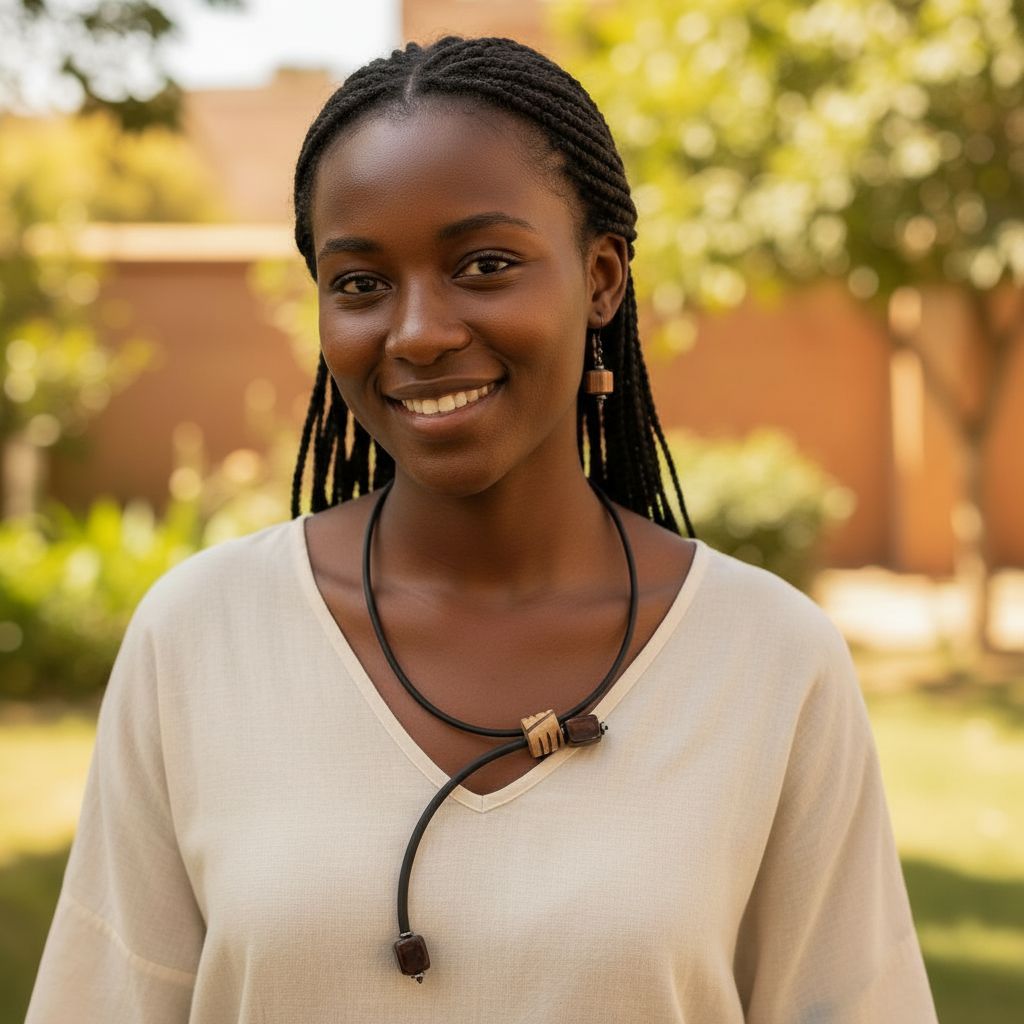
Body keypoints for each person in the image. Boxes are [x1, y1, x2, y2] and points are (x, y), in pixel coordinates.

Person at [27, 36, 938, 1023]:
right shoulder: (201, 637)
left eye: (485, 264)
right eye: (360, 283)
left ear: (600, 278)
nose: (417, 330)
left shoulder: (768, 659)